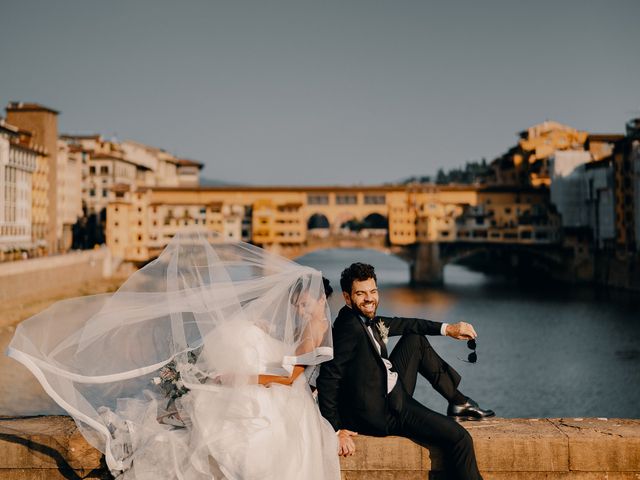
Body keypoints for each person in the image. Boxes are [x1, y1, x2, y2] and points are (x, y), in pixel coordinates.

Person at [7, 231, 340, 480]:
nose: (298, 306)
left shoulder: (315, 330)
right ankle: (159, 419)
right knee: (220, 380)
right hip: (285, 393)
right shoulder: (312, 324)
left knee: (222, 412)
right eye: (298, 301)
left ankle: (153, 425)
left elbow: (291, 375)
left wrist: (240, 378)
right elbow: (289, 362)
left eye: (304, 302)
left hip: (286, 399)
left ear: (320, 302)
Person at [317, 262, 494, 480]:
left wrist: (448, 329)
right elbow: (328, 378)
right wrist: (336, 430)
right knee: (460, 438)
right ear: (347, 297)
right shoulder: (349, 327)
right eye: (361, 294)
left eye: (373, 291)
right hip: (385, 412)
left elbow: (406, 324)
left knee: (415, 339)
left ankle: (457, 401)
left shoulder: (365, 319)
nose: (369, 298)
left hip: (390, 388)